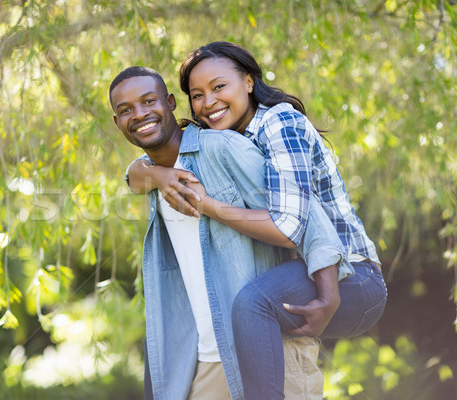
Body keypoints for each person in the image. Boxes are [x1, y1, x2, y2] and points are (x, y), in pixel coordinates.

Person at [127, 41, 388, 399]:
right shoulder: (224, 136)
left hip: (352, 275)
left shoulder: (278, 122)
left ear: (249, 81)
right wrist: (153, 175)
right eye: (198, 95)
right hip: (302, 274)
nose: (209, 102)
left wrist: (329, 296)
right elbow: (138, 171)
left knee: (252, 304)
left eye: (219, 87)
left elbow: (294, 222)